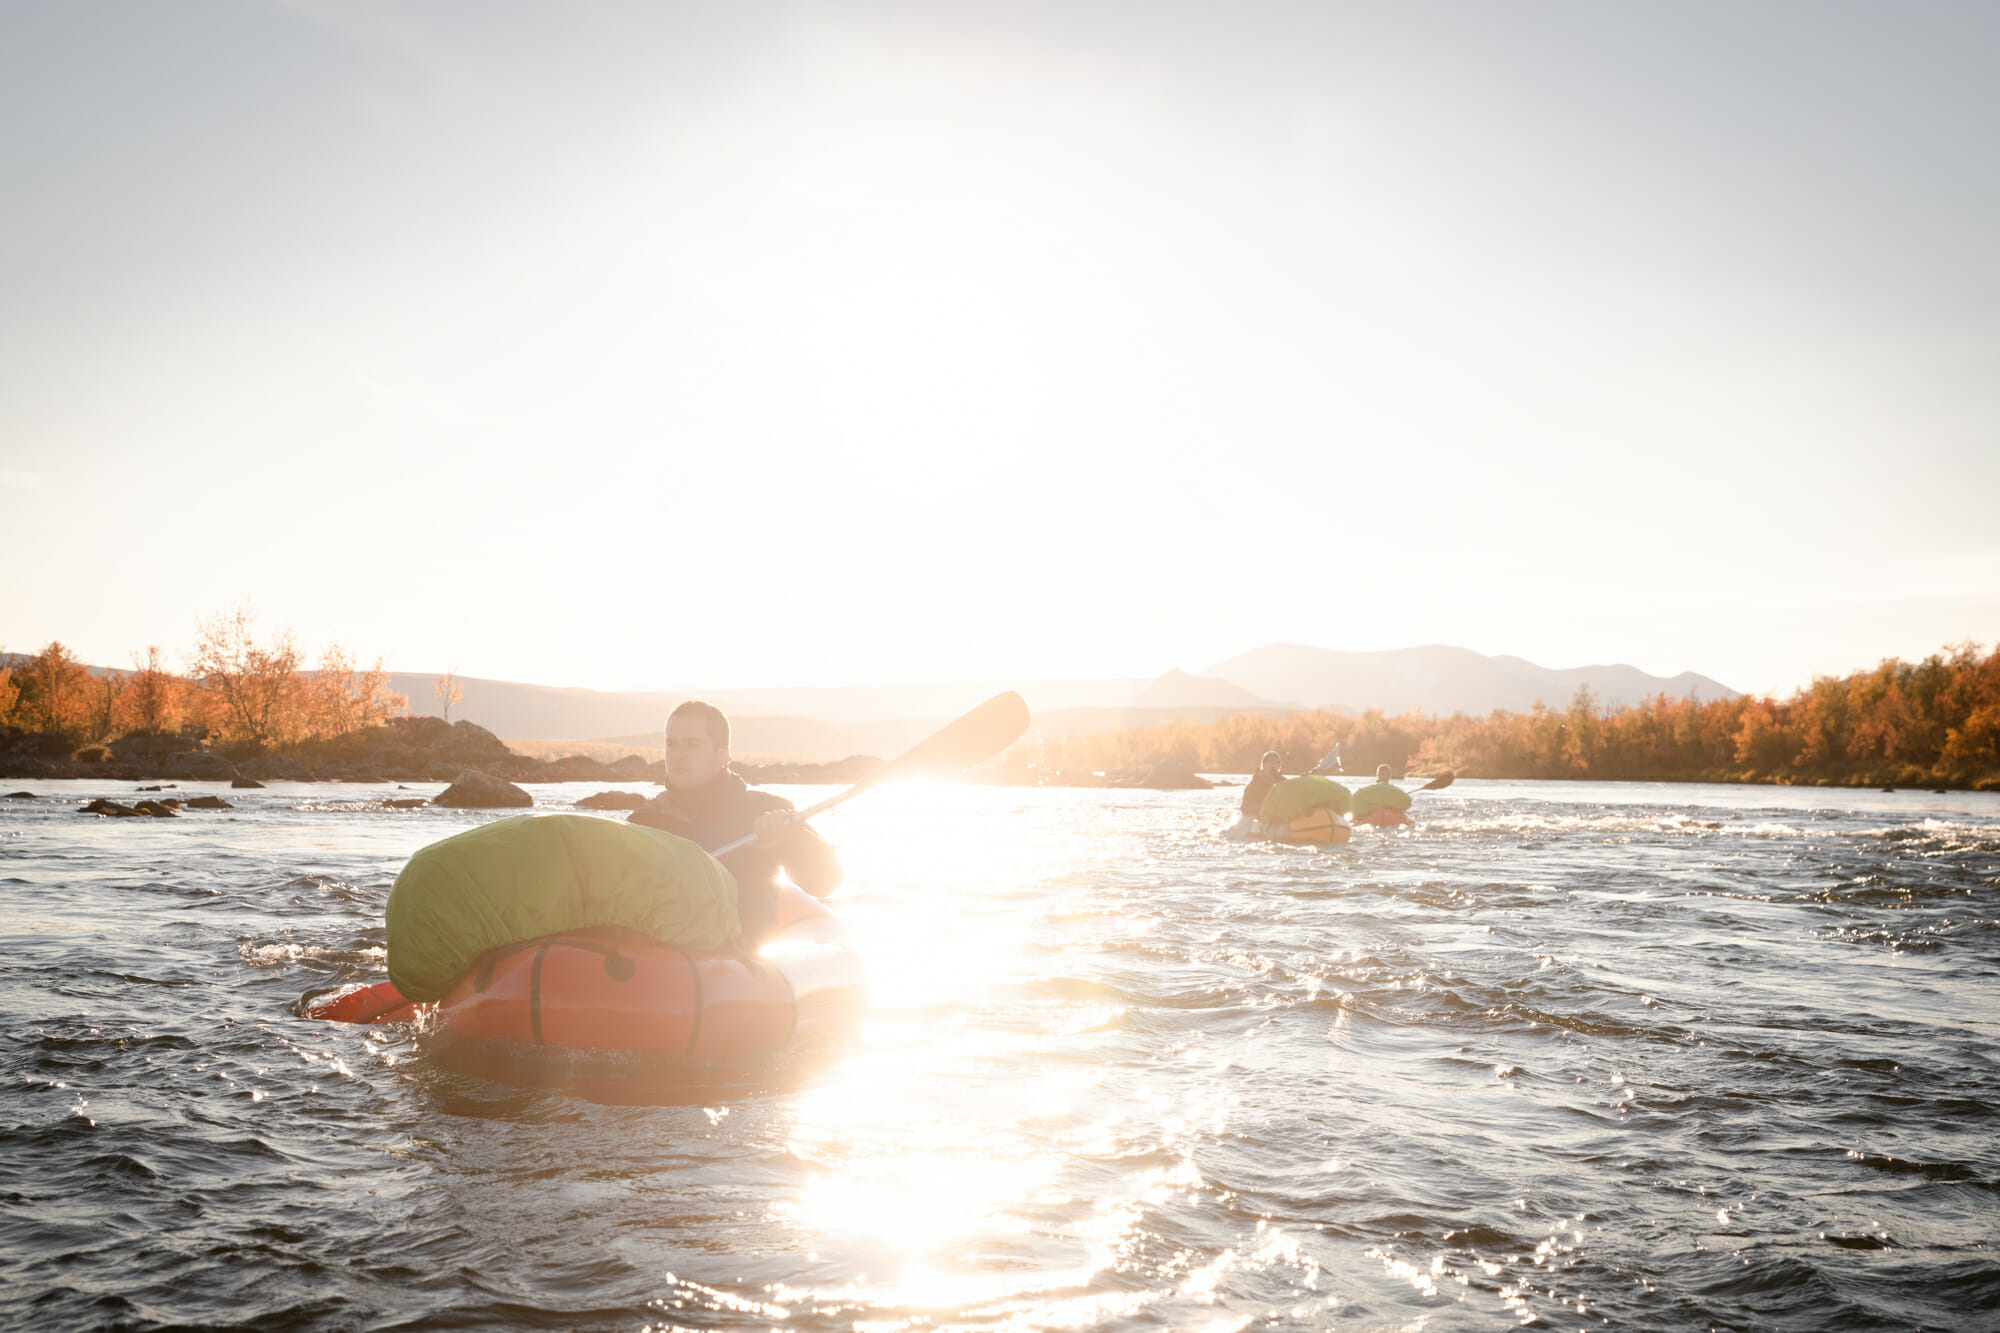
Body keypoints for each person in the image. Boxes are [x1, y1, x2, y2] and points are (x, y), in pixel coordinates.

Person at [627, 700, 843, 950]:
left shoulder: (764, 810)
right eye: (671, 744)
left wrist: (790, 839)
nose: (678, 754)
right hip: (663, 964)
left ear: (723, 756)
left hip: (740, 963)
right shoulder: (643, 822)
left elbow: (826, 881)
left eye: (692, 744)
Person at [1241, 750, 1284, 817]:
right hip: (1257, 819)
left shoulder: (1283, 783)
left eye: (1276, 762)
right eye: (1269, 762)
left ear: (1279, 766)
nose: (1273, 765)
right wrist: (1263, 807)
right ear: (1263, 765)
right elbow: (1244, 807)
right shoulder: (1254, 785)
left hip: (1278, 819)